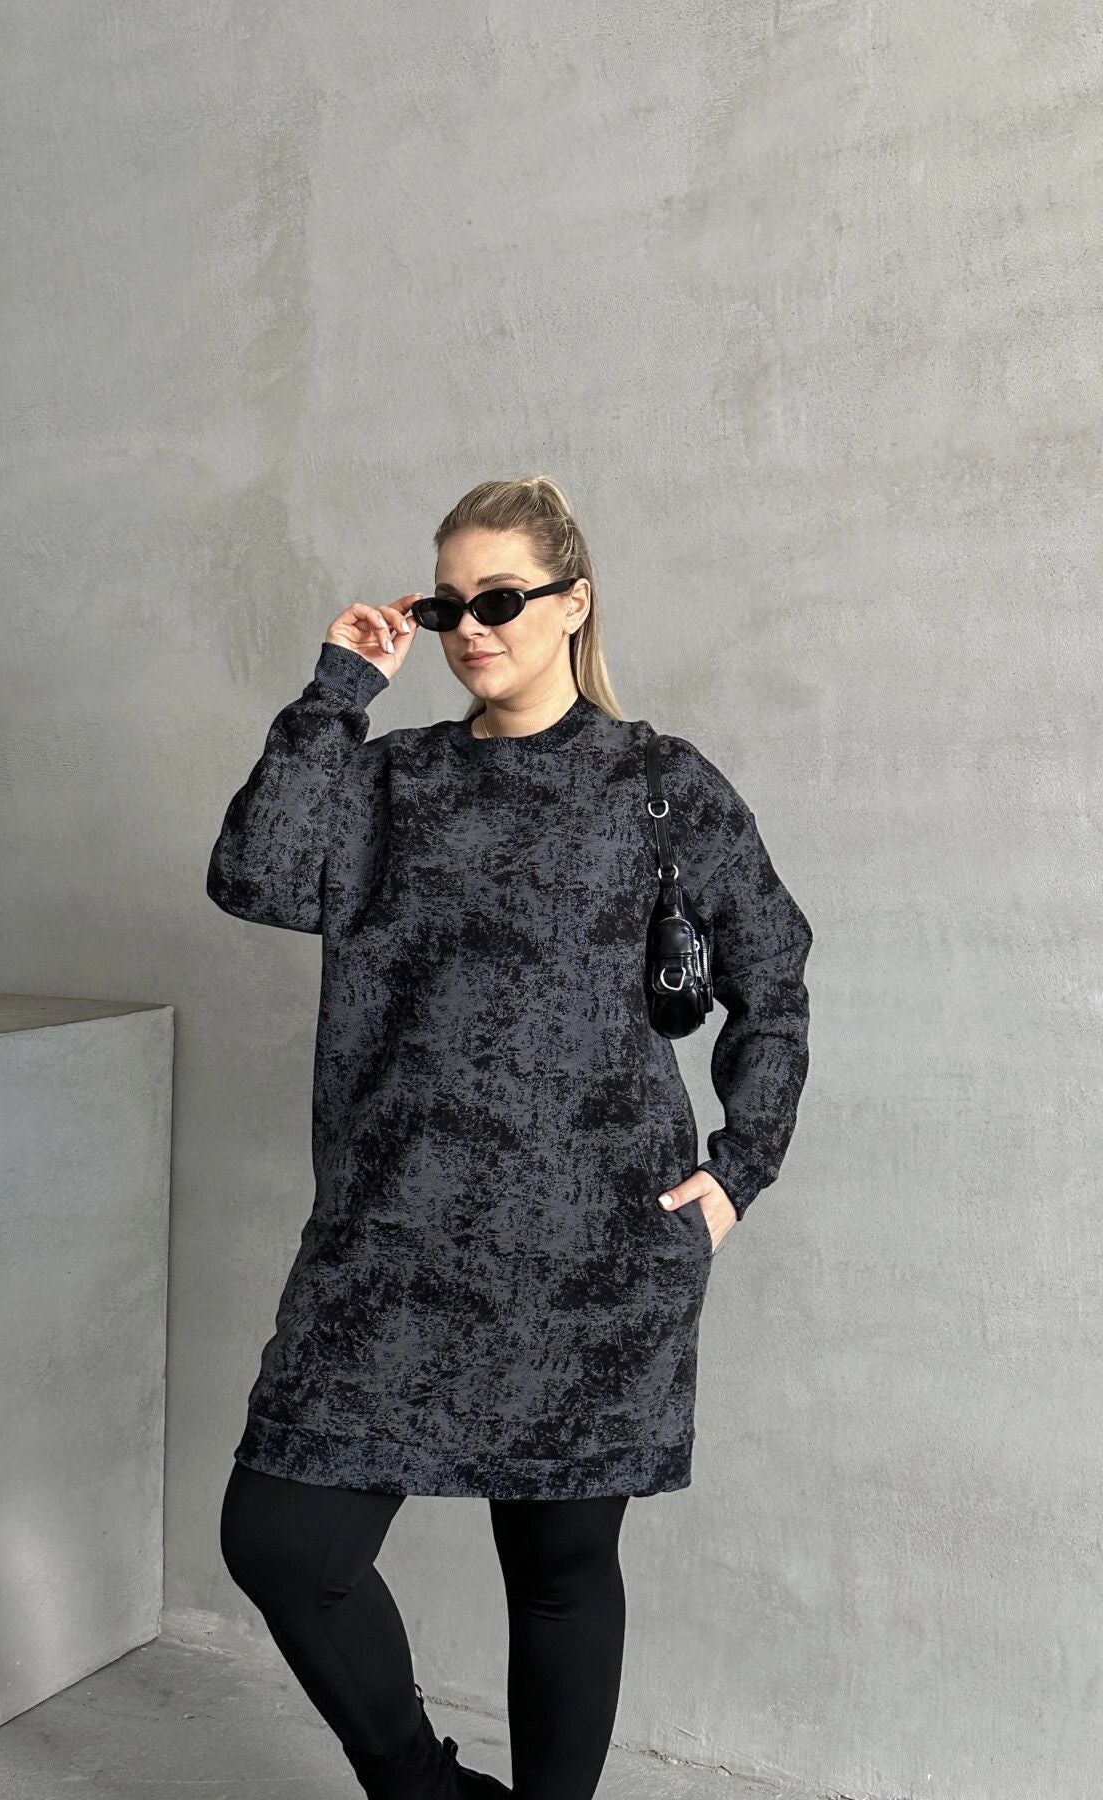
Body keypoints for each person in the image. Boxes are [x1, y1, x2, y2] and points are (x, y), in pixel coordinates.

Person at [207, 475, 813, 1800]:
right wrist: (338, 691)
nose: (469, 629)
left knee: (559, 1573)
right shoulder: (390, 780)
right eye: (446, 608)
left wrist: (737, 1170)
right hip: (393, 1248)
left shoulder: (660, 787)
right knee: (283, 1541)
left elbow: (773, 973)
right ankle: (424, 1790)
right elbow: (254, 875)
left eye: (498, 600)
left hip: (596, 1254)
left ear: (573, 603)